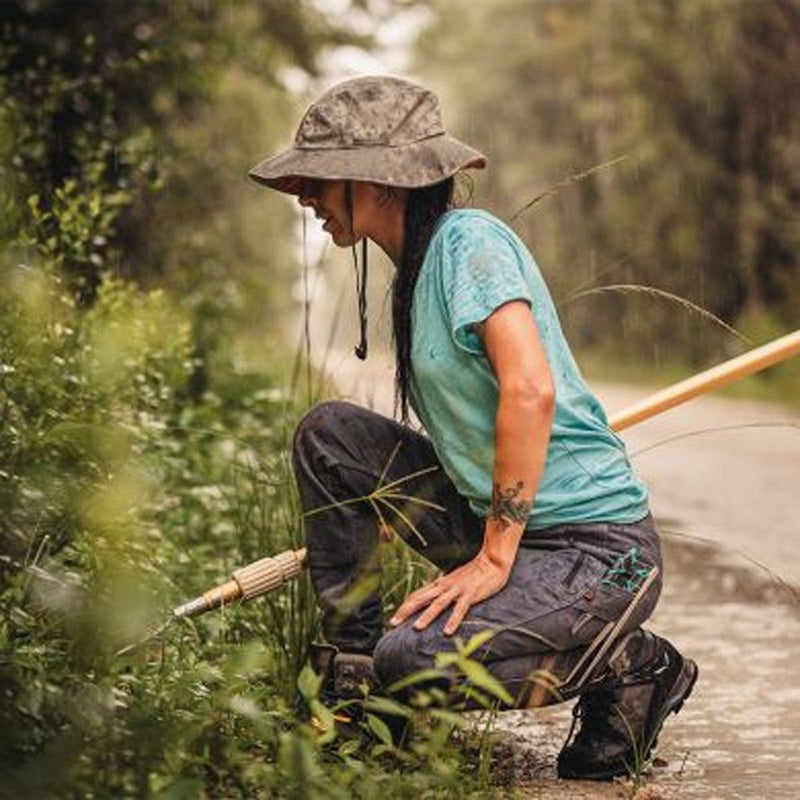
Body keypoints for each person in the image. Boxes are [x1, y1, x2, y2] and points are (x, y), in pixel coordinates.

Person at [248, 75, 697, 782]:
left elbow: (529, 387)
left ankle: (636, 663)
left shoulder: (468, 242)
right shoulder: (417, 268)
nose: (305, 197)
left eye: (320, 179)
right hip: (506, 525)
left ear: (383, 183)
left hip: (599, 551)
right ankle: (355, 682)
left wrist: (492, 558)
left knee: (416, 660)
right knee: (328, 435)